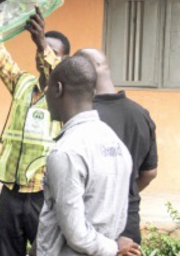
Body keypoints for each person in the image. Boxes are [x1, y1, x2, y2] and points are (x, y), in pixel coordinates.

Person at [0, 7, 70, 254]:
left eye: (53, 52)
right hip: (11, 191)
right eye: (41, 48)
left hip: (43, 195)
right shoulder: (21, 83)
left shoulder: (65, 94)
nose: (43, 53)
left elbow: (56, 75)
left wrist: (41, 41)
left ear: (64, 61)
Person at [35, 56, 140, 255]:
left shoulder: (66, 152)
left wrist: (114, 248)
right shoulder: (114, 142)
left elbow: (76, 234)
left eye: (47, 90)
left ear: (57, 89)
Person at [75, 48, 158, 245]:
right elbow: (150, 172)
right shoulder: (141, 114)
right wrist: (123, 191)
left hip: (91, 224)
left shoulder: (83, 116)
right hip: (128, 224)